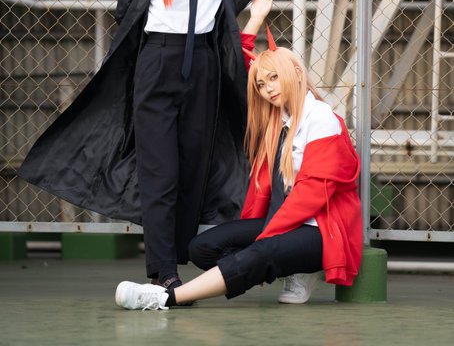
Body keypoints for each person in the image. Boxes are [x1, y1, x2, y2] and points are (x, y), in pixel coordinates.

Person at [19, 0, 254, 289]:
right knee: (160, 171)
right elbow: (126, 13)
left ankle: (178, 254)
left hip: (204, 67)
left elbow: (221, 15)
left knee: (194, 168)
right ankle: (164, 271)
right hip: (157, 63)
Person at [115, 37, 363, 311]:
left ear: (296, 72)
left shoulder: (322, 119)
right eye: (261, 85)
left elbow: (311, 194)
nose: (268, 89)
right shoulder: (278, 121)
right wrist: (253, 22)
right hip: (283, 220)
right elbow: (239, 65)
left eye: (274, 78)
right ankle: (276, 263)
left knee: (260, 251)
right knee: (202, 248)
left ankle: (167, 298)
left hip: (321, 228)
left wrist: (267, 237)